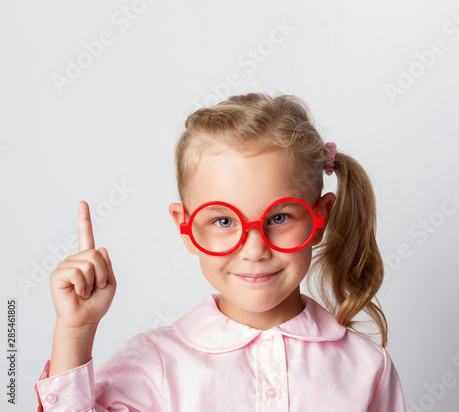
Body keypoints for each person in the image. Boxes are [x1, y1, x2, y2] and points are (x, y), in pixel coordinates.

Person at [33, 92, 406, 411]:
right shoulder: (157, 361)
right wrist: (75, 332)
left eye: (279, 217)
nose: (255, 249)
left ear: (319, 217)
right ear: (185, 225)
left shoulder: (367, 366)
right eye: (224, 222)